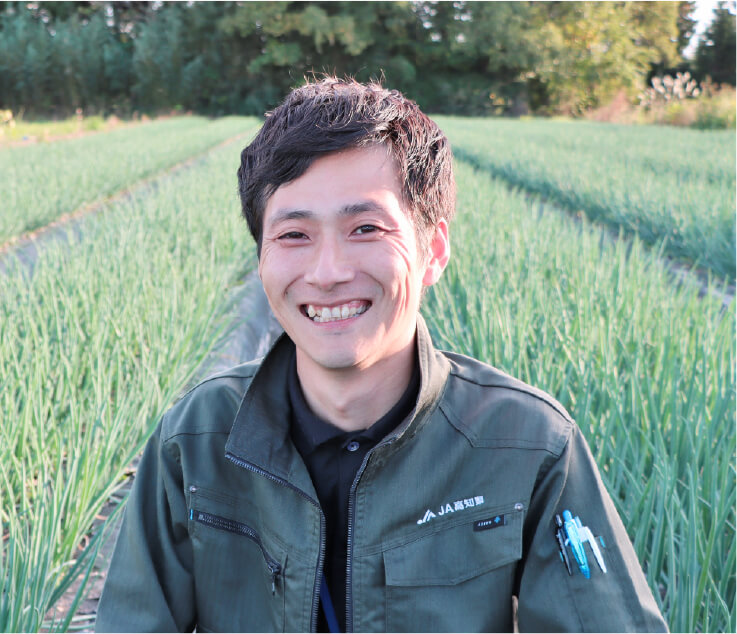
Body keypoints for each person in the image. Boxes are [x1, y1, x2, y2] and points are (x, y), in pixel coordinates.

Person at [96, 77, 667, 633]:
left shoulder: (525, 442)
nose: (328, 273)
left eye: (366, 228)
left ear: (433, 250)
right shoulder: (197, 438)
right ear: (261, 257)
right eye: (294, 235)